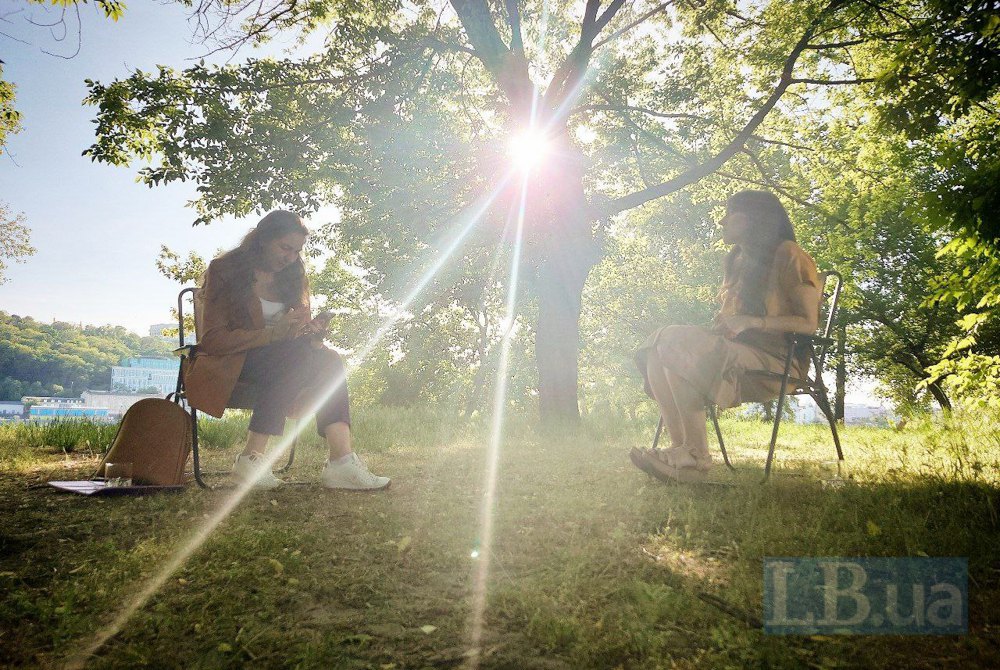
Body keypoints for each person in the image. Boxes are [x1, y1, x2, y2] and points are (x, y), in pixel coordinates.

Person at [183, 210, 390, 490]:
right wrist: (271, 335)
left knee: (327, 358)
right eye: (285, 248)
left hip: (287, 361)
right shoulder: (225, 269)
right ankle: (251, 457)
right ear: (263, 238)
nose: (290, 257)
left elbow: (297, 333)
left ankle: (341, 462)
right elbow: (213, 339)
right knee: (294, 356)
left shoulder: (294, 274)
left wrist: (312, 336)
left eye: (296, 251)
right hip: (232, 362)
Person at [632, 191, 821, 482]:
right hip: (738, 355)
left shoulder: (789, 254)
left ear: (752, 219)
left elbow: (809, 324)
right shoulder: (736, 260)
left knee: (675, 340)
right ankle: (682, 450)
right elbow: (733, 322)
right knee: (658, 343)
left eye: (729, 213)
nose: (722, 221)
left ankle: (696, 456)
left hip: (778, 363)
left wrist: (751, 322)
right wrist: (728, 324)